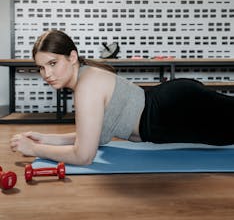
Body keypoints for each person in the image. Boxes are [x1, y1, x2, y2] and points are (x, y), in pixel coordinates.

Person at [10, 30, 234, 165]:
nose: (47, 74)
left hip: (174, 111)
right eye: (40, 68)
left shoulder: (86, 87)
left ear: (72, 57)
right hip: (170, 107)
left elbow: (84, 156)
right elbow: (90, 136)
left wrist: (35, 150)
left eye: (52, 63)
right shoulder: (87, 78)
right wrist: (45, 139)